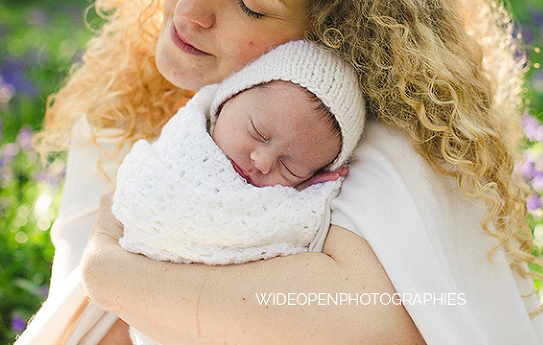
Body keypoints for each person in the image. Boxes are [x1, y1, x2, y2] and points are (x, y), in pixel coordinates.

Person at [22, 0, 543, 343]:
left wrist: (111, 272)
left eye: (249, 2)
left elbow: (366, 320)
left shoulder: (364, 140)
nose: (189, 9)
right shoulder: (120, 114)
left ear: (334, 38)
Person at [111, 39, 366, 345]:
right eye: (257, 132)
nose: (262, 161)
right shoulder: (176, 149)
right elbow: (141, 198)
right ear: (226, 99)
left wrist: (308, 197)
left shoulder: (294, 201)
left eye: (291, 167)